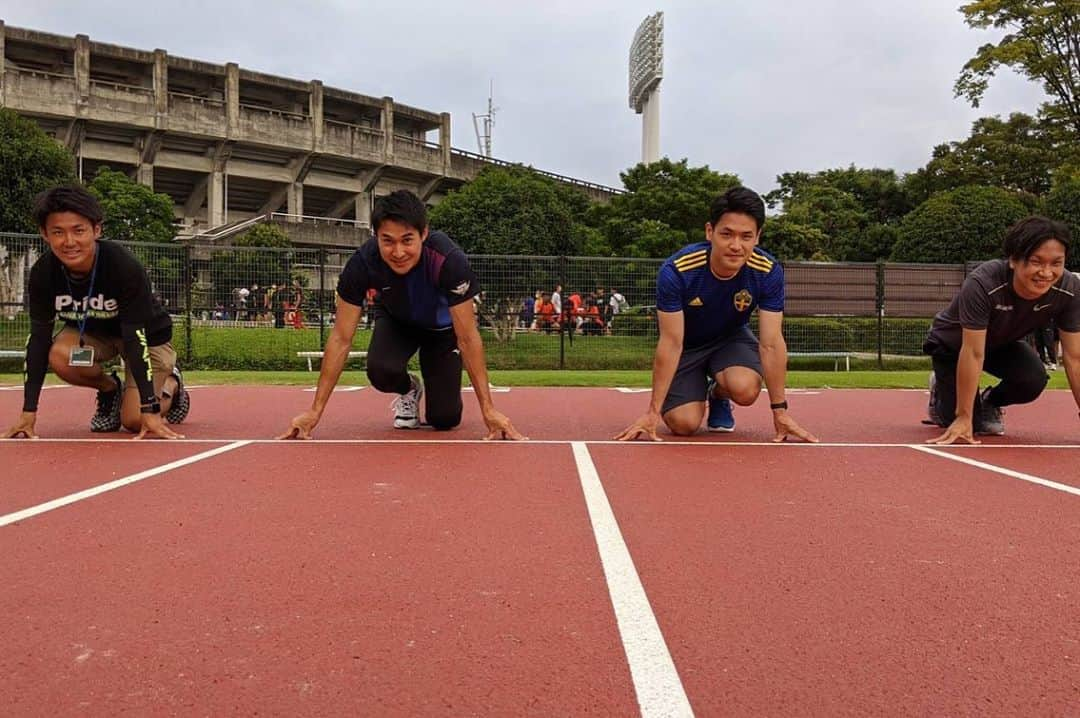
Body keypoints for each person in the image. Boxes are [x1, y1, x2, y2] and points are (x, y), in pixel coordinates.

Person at [278, 189, 524, 440]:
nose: (397, 252)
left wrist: (488, 409)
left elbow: (469, 338)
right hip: (398, 322)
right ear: (376, 237)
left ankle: (440, 393)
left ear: (423, 234)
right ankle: (409, 389)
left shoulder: (448, 260)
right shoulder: (363, 263)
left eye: (407, 240)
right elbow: (341, 338)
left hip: (442, 332)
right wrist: (314, 411)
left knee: (444, 418)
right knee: (380, 370)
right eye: (388, 241)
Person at [615, 187, 818, 442]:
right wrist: (652, 413)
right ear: (710, 232)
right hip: (686, 345)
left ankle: (718, 394)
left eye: (746, 236)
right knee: (684, 424)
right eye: (727, 234)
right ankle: (693, 390)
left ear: (757, 237)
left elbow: (771, 342)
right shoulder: (677, 271)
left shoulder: (768, 271)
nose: (736, 246)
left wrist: (781, 413)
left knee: (745, 389)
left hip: (730, 339)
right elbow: (671, 341)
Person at [2, 186, 189, 440]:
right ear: (44, 234)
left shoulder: (122, 266)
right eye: (58, 232)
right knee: (59, 355)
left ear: (96, 230)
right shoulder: (43, 273)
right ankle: (111, 389)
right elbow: (38, 339)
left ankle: (172, 386)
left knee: (135, 420)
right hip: (93, 335)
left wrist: (150, 409)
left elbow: (136, 336)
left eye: (78, 231)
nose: (69, 242)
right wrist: (28, 413)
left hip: (145, 337)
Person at [924, 216, 1080, 444]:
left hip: (1000, 344)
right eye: (1036, 262)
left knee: (1033, 379)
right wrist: (964, 416)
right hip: (954, 347)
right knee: (969, 426)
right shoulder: (984, 283)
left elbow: (1075, 357)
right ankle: (941, 394)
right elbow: (973, 352)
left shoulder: (1069, 290)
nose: (1046, 273)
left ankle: (990, 401)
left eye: (1056, 263)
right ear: (1014, 260)